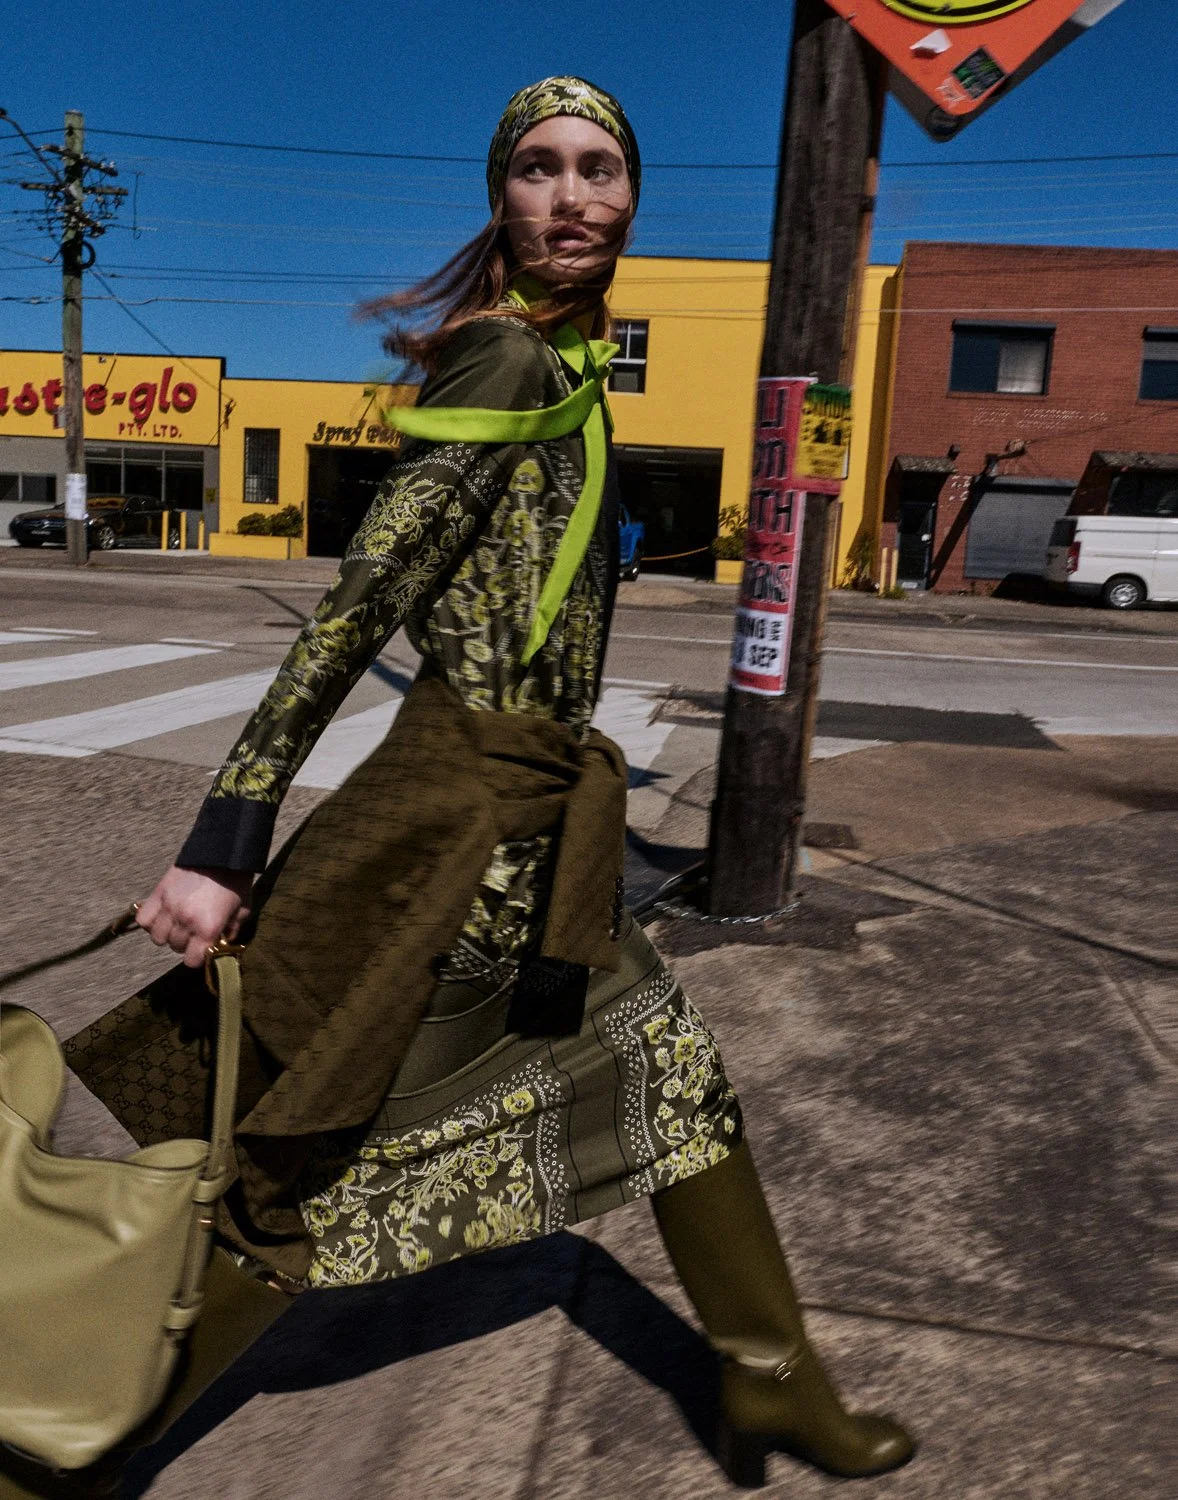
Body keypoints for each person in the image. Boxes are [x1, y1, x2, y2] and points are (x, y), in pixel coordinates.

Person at [8, 78, 913, 1499]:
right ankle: (66, 1449)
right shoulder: (502, 360)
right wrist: (224, 836)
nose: (573, 196)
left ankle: (768, 1378)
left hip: (537, 818)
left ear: (632, 196)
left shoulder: (563, 366)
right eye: (540, 168)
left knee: (670, 1083)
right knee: (322, 1169)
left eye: (599, 168)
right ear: (502, 196)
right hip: (466, 829)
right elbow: (359, 605)